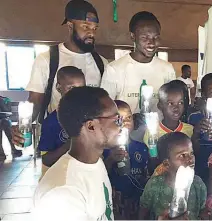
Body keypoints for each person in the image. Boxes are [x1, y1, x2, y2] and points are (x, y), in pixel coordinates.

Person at [12, 0, 107, 146]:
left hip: (91, 144)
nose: (91, 33)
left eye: (94, 28)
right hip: (56, 140)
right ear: (70, 26)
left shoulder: (101, 63)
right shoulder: (47, 59)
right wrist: (23, 124)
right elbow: (35, 100)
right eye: (85, 26)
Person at [33, 87, 118, 220]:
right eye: (116, 120)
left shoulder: (95, 162)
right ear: (91, 126)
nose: (121, 126)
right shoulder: (63, 193)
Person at [101, 11, 175, 113]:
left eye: (156, 37)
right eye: (145, 37)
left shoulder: (167, 69)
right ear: (133, 36)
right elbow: (105, 109)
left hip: (158, 128)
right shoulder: (114, 70)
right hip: (126, 128)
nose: (152, 43)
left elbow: (172, 103)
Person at [139, 132, 207, 220]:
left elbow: (202, 210)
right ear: (167, 164)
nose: (190, 159)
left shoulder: (198, 183)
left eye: (191, 153)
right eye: (182, 155)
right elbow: (144, 211)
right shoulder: (155, 184)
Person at [103, 100, 149, 220]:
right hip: (116, 202)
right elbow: (100, 176)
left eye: (129, 117)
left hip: (137, 200)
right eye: (120, 119)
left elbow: (147, 172)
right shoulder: (105, 150)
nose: (126, 122)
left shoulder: (141, 147)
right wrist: (110, 160)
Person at [38, 66, 86, 177]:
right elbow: (46, 160)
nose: (77, 93)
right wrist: (69, 145)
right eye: (71, 88)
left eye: (81, 88)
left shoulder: (87, 117)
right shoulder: (51, 122)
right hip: (57, 178)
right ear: (59, 87)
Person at [143, 81, 194, 175]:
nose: (176, 107)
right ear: (160, 106)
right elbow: (151, 160)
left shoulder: (190, 130)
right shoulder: (152, 131)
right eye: (170, 103)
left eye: (180, 103)